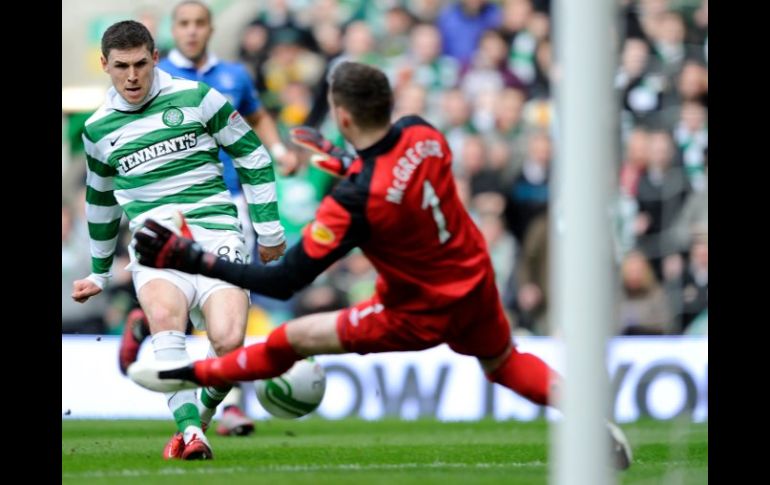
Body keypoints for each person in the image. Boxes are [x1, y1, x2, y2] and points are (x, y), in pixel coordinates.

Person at [129, 61, 632, 470]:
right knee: (503, 363)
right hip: (475, 281)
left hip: (416, 310)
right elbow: (398, 175)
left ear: (343, 117)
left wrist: (191, 257)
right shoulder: (425, 133)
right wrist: (346, 160)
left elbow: (284, 280)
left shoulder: (354, 199)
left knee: (291, 339)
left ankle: (190, 371)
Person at [71, 20, 287, 460]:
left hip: (216, 232)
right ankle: (191, 435)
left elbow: (253, 155)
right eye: (120, 67)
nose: (131, 77)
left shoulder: (197, 97)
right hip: (155, 243)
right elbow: (100, 203)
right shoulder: (97, 129)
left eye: (139, 64)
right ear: (104, 66)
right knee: (168, 321)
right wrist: (97, 270)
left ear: (154, 57)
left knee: (228, 343)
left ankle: (200, 419)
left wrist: (269, 230)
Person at [118, 0, 299, 438]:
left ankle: (222, 399)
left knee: (225, 309)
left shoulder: (234, 76)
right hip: (173, 204)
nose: (192, 31)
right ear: (172, 32)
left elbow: (257, 119)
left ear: (211, 28)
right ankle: (220, 401)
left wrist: (278, 151)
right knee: (189, 297)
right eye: (184, 24)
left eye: (200, 23)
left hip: (229, 201)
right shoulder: (155, 82)